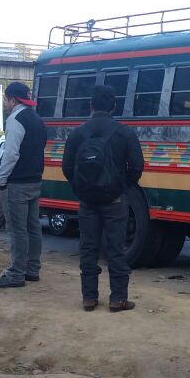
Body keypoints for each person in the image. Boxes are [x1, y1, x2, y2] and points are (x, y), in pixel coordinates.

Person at [61, 85, 145, 312]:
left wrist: (82, 188)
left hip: (87, 200)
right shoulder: (125, 133)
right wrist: (122, 187)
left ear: (91, 105)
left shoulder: (78, 133)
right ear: (114, 106)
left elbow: (67, 167)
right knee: (115, 248)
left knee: (88, 247)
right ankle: (118, 299)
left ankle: (89, 297)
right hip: (115, 200)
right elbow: (137, 166)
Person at [0, 82, 48, 289]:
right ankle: (32, 269)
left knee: (16, 230)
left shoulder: (15, 120)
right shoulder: (38, 120)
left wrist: (1, 179)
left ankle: (16, 273)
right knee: (33, 227)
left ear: (13, 99)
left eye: (7, 100)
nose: (6, 104)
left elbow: (11, 154)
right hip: (34, 181)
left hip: (17, 183)